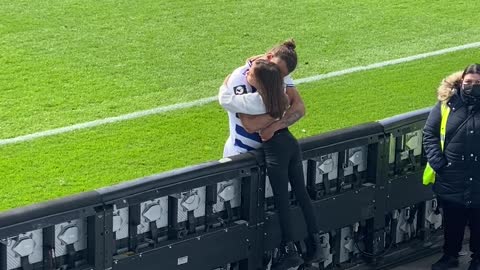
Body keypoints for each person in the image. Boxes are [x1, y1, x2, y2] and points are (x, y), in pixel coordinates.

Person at [218, 40, 324, 269]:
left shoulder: (276, 72)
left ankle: (290, 251)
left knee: (278, 203)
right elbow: (249, 124)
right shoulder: (241, 77)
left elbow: (299, 108)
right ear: (268, 57)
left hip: (272, 149)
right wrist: (278, 113)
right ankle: (310, 245)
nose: (281, 77)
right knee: (251, 212)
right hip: (244, 153)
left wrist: (275, 122)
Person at [423, 64, 480, 270]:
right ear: (461, 82)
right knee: (452, 221)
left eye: (478, 83)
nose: (472, 86)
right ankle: (450, 256)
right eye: (469, 82)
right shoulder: (446, 104)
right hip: (452, 175)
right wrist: (438, 162)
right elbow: (429, 133)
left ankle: (477, 259)